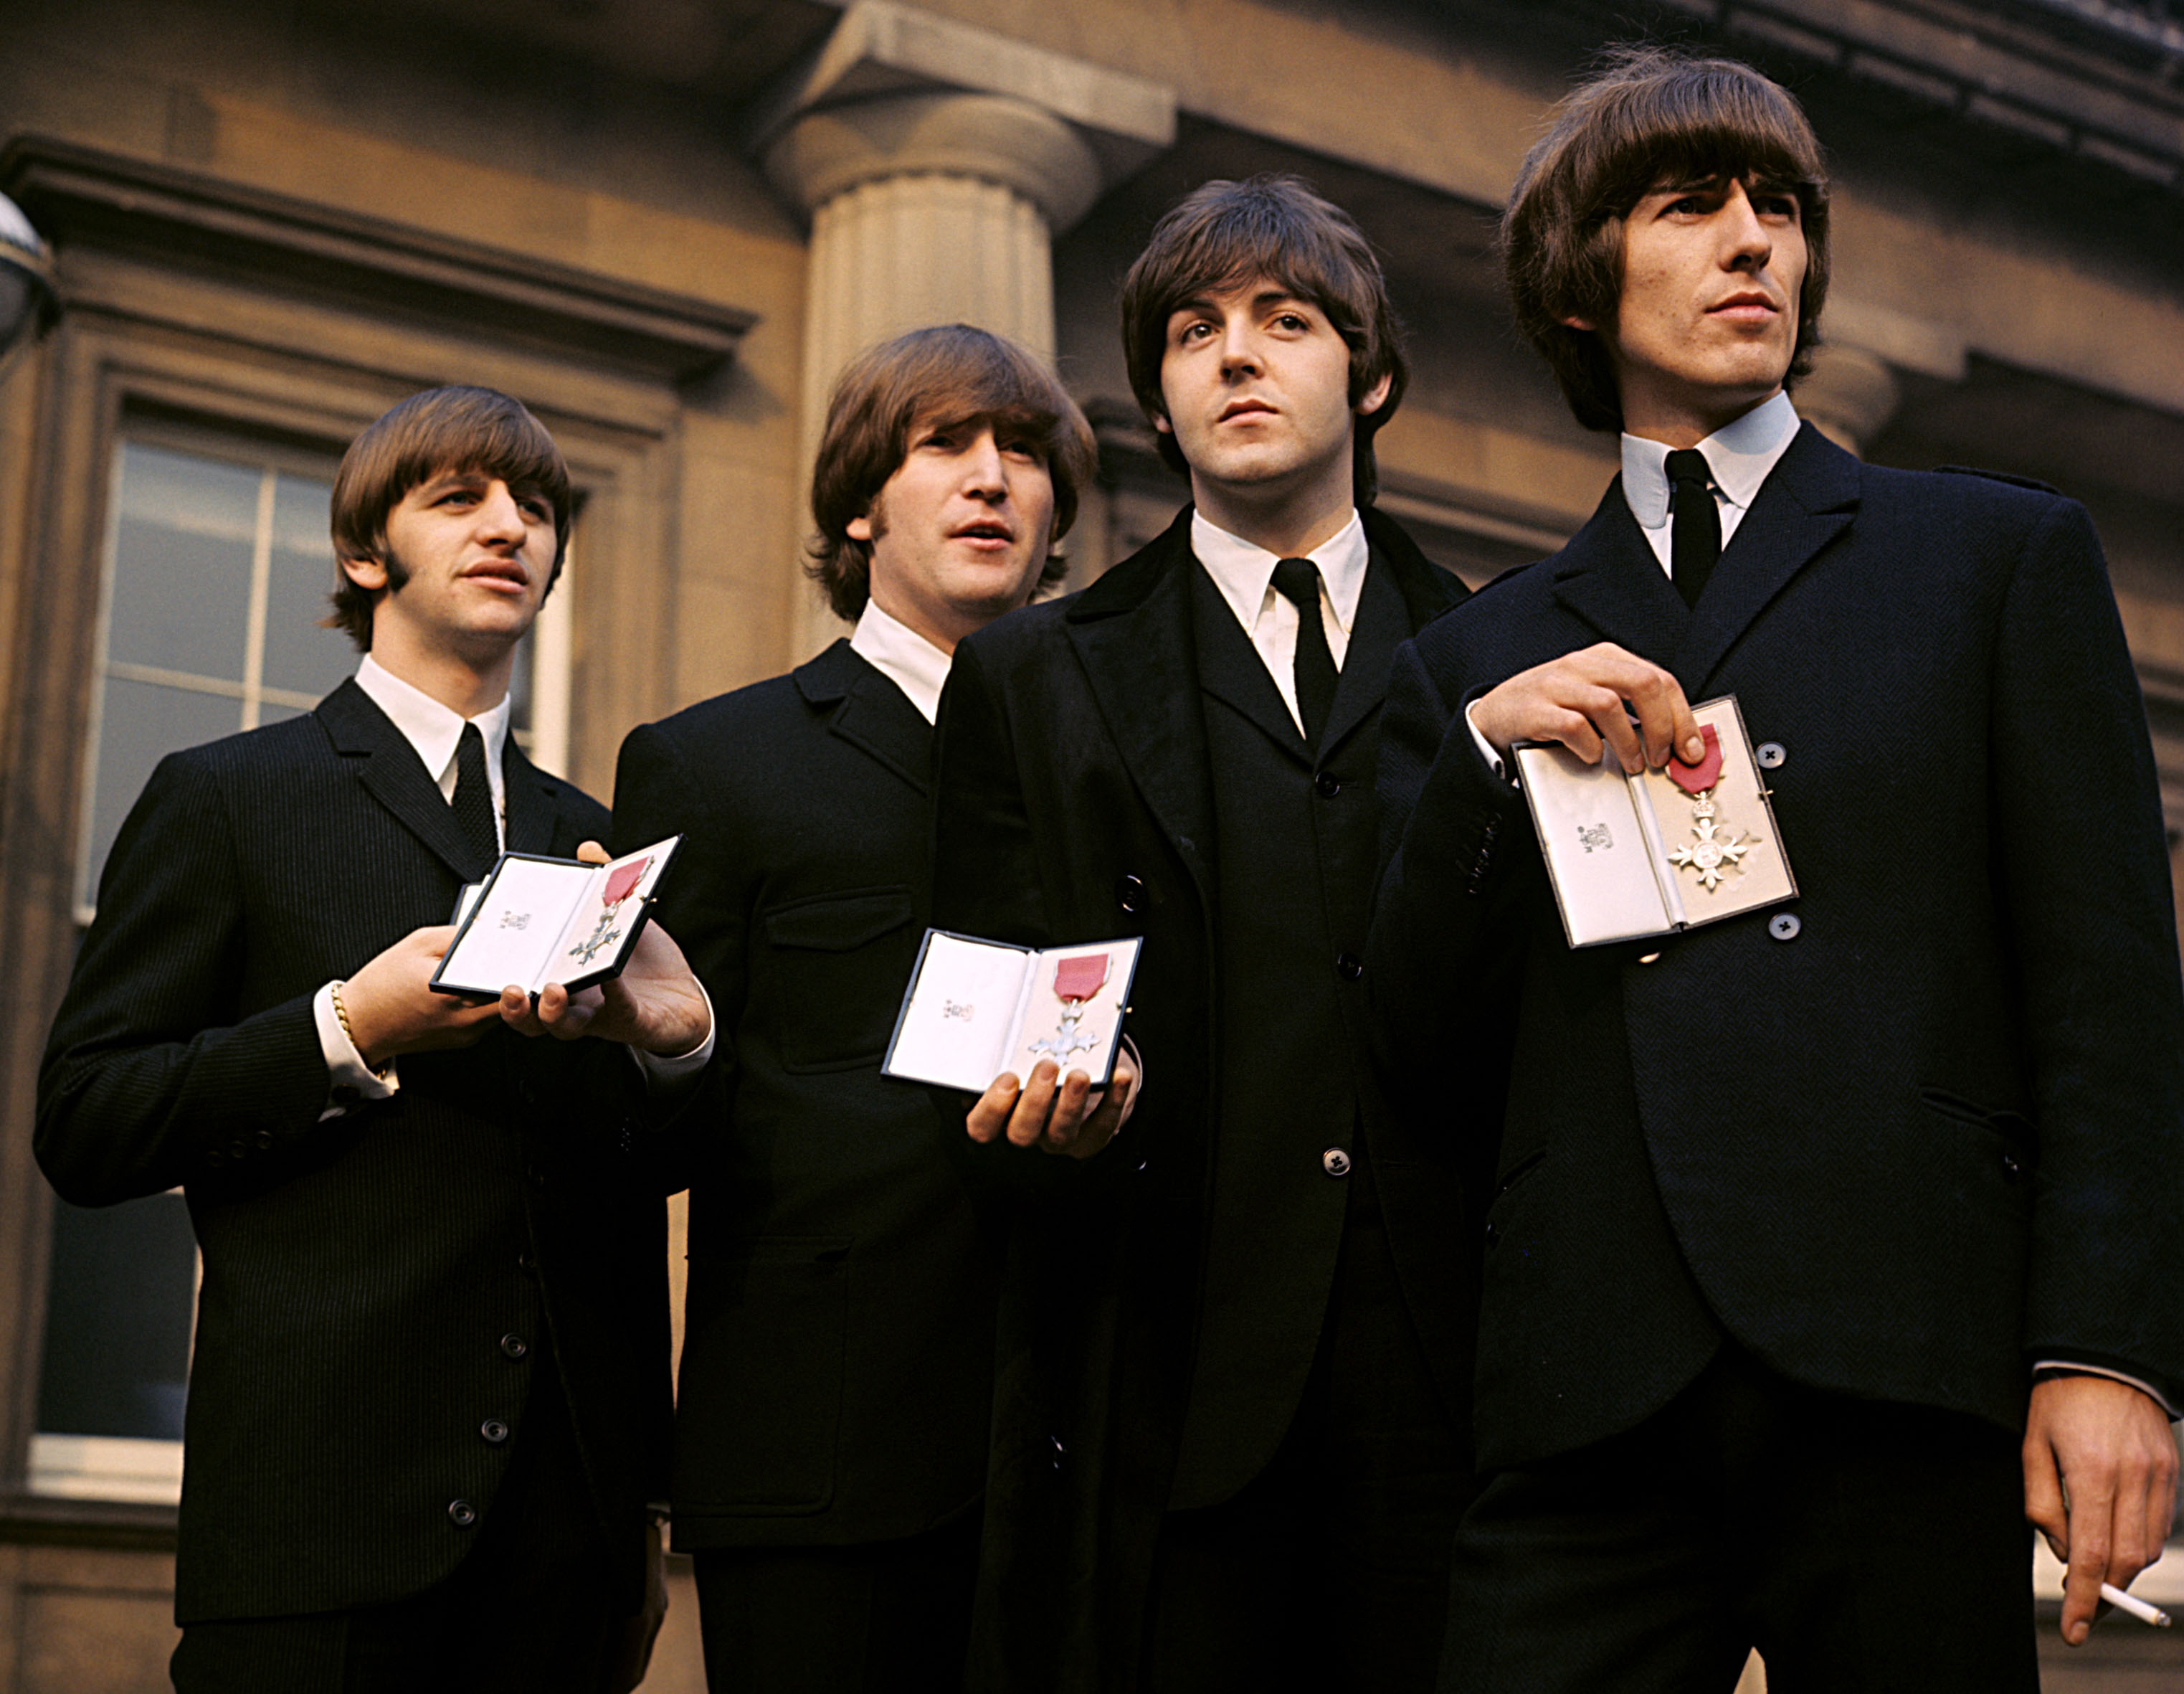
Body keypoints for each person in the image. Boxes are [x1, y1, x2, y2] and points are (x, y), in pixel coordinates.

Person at [1370, 47, 2184, 1692]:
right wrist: (1475, 765)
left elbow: (2103, 992)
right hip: (1582, 1388)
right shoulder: (1475, 649)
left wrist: (2106, 1349)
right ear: (1580, 285)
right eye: (1689, 206)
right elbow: (1411, 1050)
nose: (1753, 240)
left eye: (1777, 209)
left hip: (1894, 1358)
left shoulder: (1993, 554)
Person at [37, 384, 712, 1694]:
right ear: (365, 553)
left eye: (535, 506)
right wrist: (348, 1026)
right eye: (458, 499)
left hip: (565, 1548)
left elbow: (637, 1182)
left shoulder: (594, 836)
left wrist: (675, 1046)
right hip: (315, 1525)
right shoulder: (228, 796)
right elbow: (87, 1117)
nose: (508, 525)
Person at [929, 176, 1477, 1693]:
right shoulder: (1032, 675)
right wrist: (1048, 1111)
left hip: (1451, 1403)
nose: (1235, 356)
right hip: (1162, 1401)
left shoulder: (1503, 650)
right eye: (1192, 331)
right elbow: (974, 1024)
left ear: (1367, 378)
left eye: (1283, 322)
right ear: (1157, 401)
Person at [609, 323, 1119, 1693]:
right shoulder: (712, 762)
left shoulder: (1123, 758)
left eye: (1024, 454)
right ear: (858, 502)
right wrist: (680, 1045)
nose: (994, 477)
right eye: (946, 444)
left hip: (1092, 1449)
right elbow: (636, 1144)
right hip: (822, 1454)